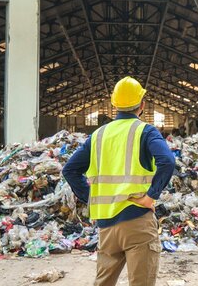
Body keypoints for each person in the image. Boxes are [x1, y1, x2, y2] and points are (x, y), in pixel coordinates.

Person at [63, 76, 175, 286]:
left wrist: (91, 198)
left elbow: (69, 170)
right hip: (137, 221)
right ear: (142, 105)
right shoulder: (145, 131)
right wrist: (151, 196)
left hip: (107, 226)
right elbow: (167, 161)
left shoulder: (97, 135)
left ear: (114, 105)